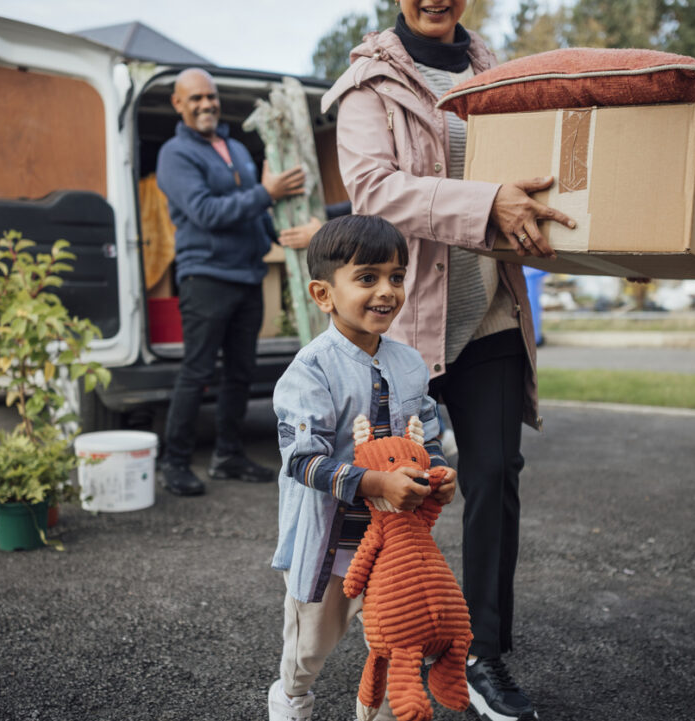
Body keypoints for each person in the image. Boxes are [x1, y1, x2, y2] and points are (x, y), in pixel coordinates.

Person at [321, 3, 578, 720]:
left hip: (491, 312)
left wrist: (611, 242)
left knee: (495, 474)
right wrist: (485, 200)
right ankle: (373, 641)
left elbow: (549, 179)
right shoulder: (369, 85)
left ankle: (482, 652)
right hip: (410, 323)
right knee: (387, 488)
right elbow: (374, 191)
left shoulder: (496, 73)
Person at [268, 215, 458, 721]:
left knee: (399, 641)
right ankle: (291, 696)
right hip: (332, 545)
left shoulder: (410, 363)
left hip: (396, 551)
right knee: (311, 648)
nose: (387, 291)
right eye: (367, 277)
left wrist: (437, 474)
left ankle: (378, 708)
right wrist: (374, 482)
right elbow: (301, 460)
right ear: (323, 294)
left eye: (397, 276)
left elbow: (428, 432)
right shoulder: (309, 370)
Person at [155, 68, 306, 496]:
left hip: (247, 274)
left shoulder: (237, 146)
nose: (206, 104)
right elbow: (205, 212)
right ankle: (176, 462)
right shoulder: (174, 154)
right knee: (198, 370)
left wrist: (286, 231)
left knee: (240, 372)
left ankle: (228, 455)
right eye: (196, 98)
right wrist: (267, 193)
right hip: (205, 275)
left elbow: (258, 213)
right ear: (178, 104)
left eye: (211, 97)